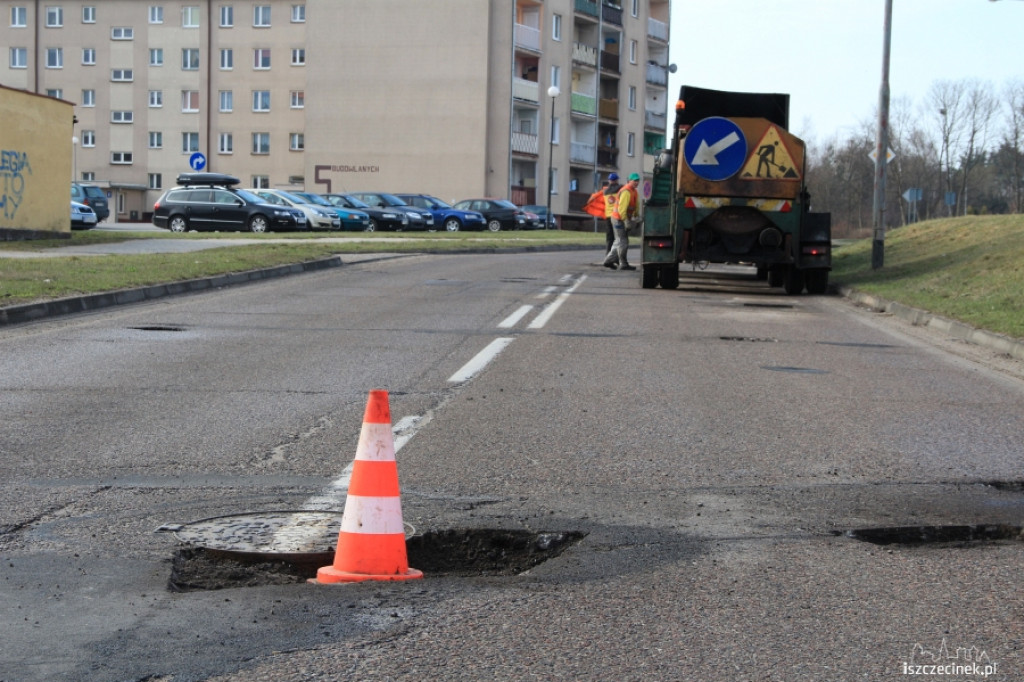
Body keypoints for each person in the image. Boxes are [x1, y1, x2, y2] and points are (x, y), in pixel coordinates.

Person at [603, 172, 640, 271]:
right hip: (618, 219)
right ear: (629, 181)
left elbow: (635, 206)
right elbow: (622, 210)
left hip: (616, 218)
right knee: (622, 241)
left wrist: (636, 217)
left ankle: (608, 260)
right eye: (634, 180)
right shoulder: (626, 191)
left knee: (618, 241)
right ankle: (623, 263)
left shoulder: (633, 191)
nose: (637, 182)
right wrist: (626, 221)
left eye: (638, 180)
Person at [603, 173, 623, 264]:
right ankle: (616, 258)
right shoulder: (620, 189)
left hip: (607, 216)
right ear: (617, 180)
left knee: (609, 238)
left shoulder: (605, 191)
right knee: (618, 238)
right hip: (616, 216)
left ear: (609, 180)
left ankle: (607, 256)